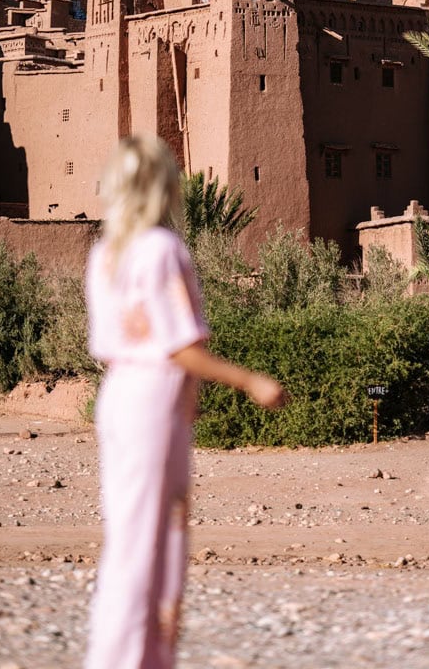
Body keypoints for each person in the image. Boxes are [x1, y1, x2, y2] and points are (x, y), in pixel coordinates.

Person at [85, 135, 285, 669]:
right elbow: (179, 348)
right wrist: (250, 381)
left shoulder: (105, 253)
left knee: (131, 536)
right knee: (151, 543)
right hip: (153, 403)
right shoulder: (161, 249)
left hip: (119, 397)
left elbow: (113, 345)